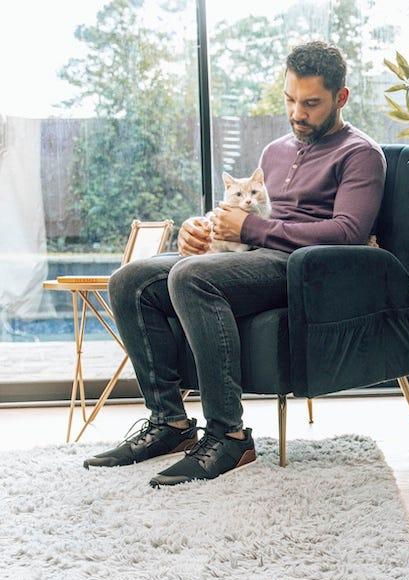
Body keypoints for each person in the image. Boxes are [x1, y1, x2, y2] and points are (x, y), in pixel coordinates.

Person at [83, 41, 387, 487]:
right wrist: (202, 232)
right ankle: (169, 424)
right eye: (289, 99)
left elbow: (347, 233)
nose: (296, 113)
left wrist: (249, 230)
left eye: (311, 103)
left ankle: (229, 434)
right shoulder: (276, 151)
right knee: (129, 280)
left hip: (302, 269)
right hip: (251, 257)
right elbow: (250, 219)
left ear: (341, 98)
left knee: (191, 279)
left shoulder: (361, 154)